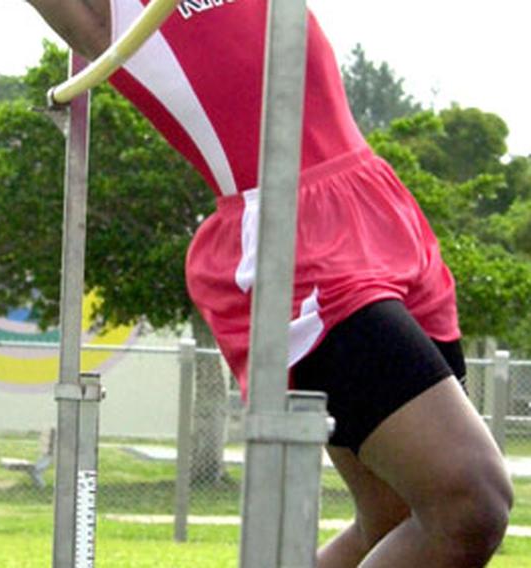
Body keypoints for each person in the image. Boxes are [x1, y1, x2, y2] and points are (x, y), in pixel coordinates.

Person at [26, 1, 513, 566]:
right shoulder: (116, 14)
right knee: (469, 503)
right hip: (292, 242)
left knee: (398, 516)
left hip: (380, 208)